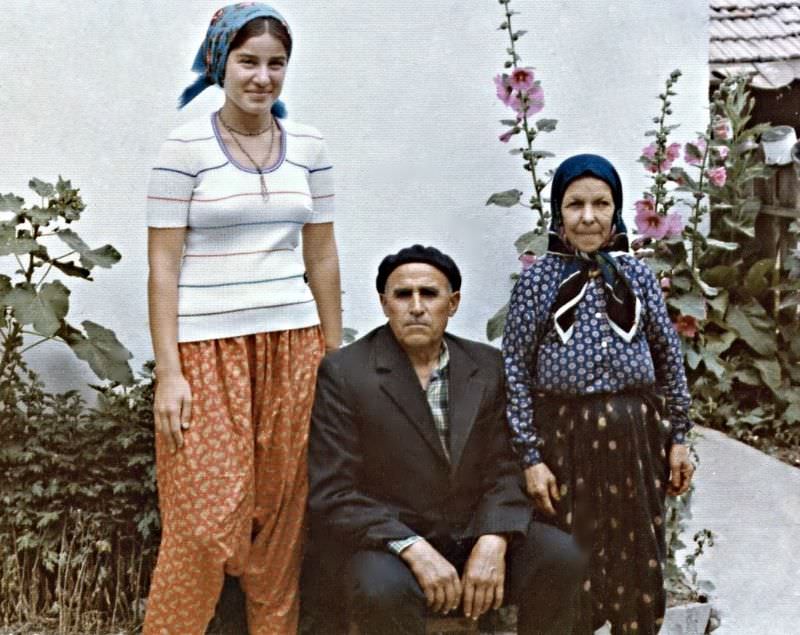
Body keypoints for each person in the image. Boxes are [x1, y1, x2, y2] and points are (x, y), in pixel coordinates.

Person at [144, 4, 341, 633]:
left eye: (276, 63)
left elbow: (322, 254)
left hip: (293, 344)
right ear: (218, 63)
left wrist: (333, 356)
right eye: (248, 61)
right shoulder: (184, 148)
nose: (262, 77)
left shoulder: (309, 145)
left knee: (283, 520)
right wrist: (169, 374)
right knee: (203, 528)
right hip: (207, 351)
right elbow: (162, 268)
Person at [304, 245, 584, 635]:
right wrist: (411, 547)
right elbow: (333, 490)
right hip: (388, 545)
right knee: (380, 588)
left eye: (429, 294)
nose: (416, 307)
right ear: (385, 304)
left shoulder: (487, 367)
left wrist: (494, 537)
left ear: (452, 304)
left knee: (560, 556)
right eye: (403, 295)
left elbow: (508, 464)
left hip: (472, 533)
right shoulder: (345, 373)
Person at [502, 154, 695, 634]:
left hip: (636, 440)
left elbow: (669, 358)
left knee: (637, 553)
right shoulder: (537, 283)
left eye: (600, 203)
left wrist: (680, 437)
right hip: (567, 441)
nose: (588, 216)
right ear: (558, 213)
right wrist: (530, 457)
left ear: (616, 209)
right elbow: (516, 373)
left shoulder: (637, 278)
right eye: (575, 204)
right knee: (574, 561)